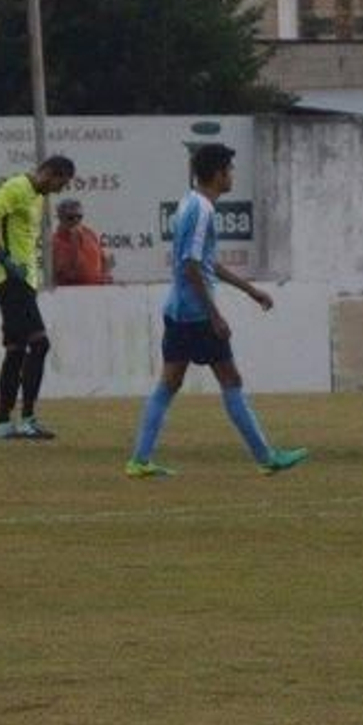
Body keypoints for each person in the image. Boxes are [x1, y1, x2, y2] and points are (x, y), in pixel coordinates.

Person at [125, 143, 307, 478]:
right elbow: (191, 265)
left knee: (169, 383)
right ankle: (266, 458)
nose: (232, 175)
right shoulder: (203, 210)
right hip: (195, 314)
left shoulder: (189, 203)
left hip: (177, 310)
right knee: (230, 379)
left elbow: (205, 262)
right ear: (219, 172)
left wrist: (250, 290)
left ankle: (139, 459)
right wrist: (214, 315)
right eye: (230, 169)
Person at [0, 154, 76, 440]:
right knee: (40, 344)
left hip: (22, 282)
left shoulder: (35, 196)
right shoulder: (17, 187)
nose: (60, 190)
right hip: (11, 280)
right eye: (61, 182)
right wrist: (4, 258)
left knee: (16, 350)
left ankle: (1, 423)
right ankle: (28, 418)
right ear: (50, 173)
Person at [51, 198, 114, 285]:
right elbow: (68, 274)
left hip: (96, 291)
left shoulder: (89, 233)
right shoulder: (55, 242)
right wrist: (75, 246)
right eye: (70, 218)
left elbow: (103, 260)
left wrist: (105, 274)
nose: (75, 220)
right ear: (60, 218)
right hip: (71, 293)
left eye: (79, 217)